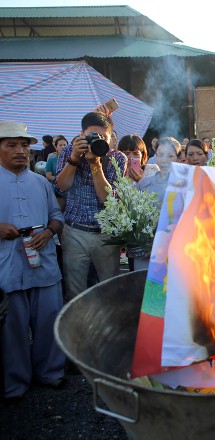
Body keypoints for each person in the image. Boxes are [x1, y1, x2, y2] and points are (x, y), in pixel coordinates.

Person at [0, 121, 66, 400]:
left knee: (49, 320)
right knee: (11, 328)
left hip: (44, 262)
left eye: (24, 146)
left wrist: (49, 232)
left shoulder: (41, 182)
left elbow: (57, 216)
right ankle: (14, 382)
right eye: (11, 145)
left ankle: (50, 372)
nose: (20, 151)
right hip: (8, 266)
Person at [54, 111, 126, 301]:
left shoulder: (117, 158)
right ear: (81, 134)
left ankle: (108, 329)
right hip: (74, 231)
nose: (98, 140)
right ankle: (77, 329)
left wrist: (96, 164)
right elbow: (61, 187)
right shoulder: (70, 151)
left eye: (104, 137)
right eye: (93, 136)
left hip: (106, 234)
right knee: (74, 291)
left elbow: (108, 199)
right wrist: (74, 158)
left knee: (110, 289)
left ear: (111, 138)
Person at [137, 137, 181, 205]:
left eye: (170, 156)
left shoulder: (185, 186)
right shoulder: (144, 184)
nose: (164, 160)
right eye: (160, 155)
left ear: (179, 158)